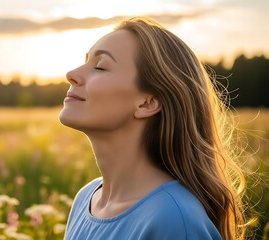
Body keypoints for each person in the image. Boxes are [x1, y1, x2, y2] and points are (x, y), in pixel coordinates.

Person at [59, 17, 247, 240]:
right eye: (86, 61)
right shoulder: (86, 199)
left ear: (147, 103)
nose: (72, 74)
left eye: (100, 66)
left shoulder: (173, 220)